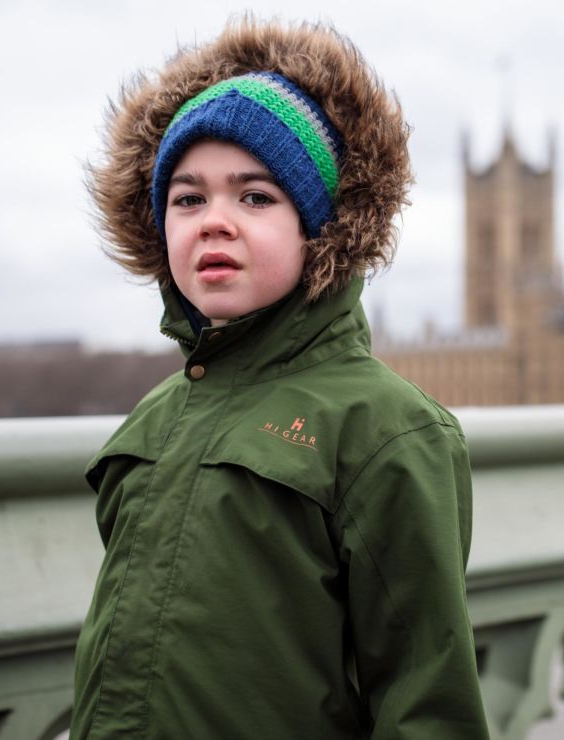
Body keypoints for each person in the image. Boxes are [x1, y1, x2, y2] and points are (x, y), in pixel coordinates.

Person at [70, 18, 489, 740]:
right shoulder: (152, 419)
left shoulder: (388, 430)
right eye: (188, 198)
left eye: (256, 197)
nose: (215, 222)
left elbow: (428, 698)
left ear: (319, 227)